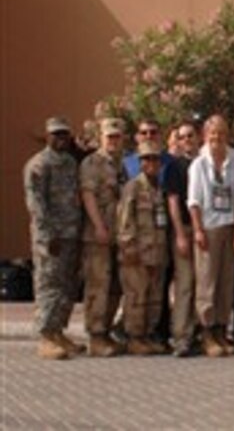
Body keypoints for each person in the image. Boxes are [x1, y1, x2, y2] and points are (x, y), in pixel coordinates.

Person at [25, 117, 83, 360]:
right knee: (48, 285)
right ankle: (46, 336)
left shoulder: (70, 162)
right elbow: (36, 204)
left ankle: (58, 331)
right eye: (56, 134)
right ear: (47, 137)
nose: (60, 139)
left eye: (64, 134)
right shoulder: (38, 164)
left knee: (67, 286)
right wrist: (48, 235)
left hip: (71, 233)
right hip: (51, 238)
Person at [187, 115, 234, 357]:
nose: (217, 138)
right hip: (208, 229)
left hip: (229, 227)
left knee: (226, 282)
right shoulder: (199, 165)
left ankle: (221, 329)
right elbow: (193, 201)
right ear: (205, 135)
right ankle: (207, 332)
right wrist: (198, 230)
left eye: (221, 133)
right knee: (207, 282)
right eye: (212, 133)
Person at [79, 118, 127, 357]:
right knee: (98, 285)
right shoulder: (92, 163)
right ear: (101, 137)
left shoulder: (121, 165)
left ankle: (106, 331)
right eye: (109, 137)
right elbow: (88, 196)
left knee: (115, 287)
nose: (113, 141)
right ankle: (95, 336)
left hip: (118, 236)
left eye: (117, 137)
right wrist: (99, 227)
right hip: (98, 235)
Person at [116, 141, 169, 355]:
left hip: (157, 252)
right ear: (140, 162)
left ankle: (146, 335)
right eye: (146, 159)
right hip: (137, 254)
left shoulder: (159, 188)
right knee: (136, 297)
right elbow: (125, 221)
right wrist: (129, 248)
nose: (151, 163)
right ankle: (134, 337)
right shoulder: (133, 187)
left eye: (155, 159)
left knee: (153, 297)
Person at [166, 120, 200, 357]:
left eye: (190, 136)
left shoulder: (206, 164)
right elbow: (173, 201)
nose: (187, 140)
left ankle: (199, 332)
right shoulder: (174, 167)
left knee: (203, 285)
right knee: (185, 284)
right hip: (185, 230)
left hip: (205, 231)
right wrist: (179, 233)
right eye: (182, 137)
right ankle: (181, 336)